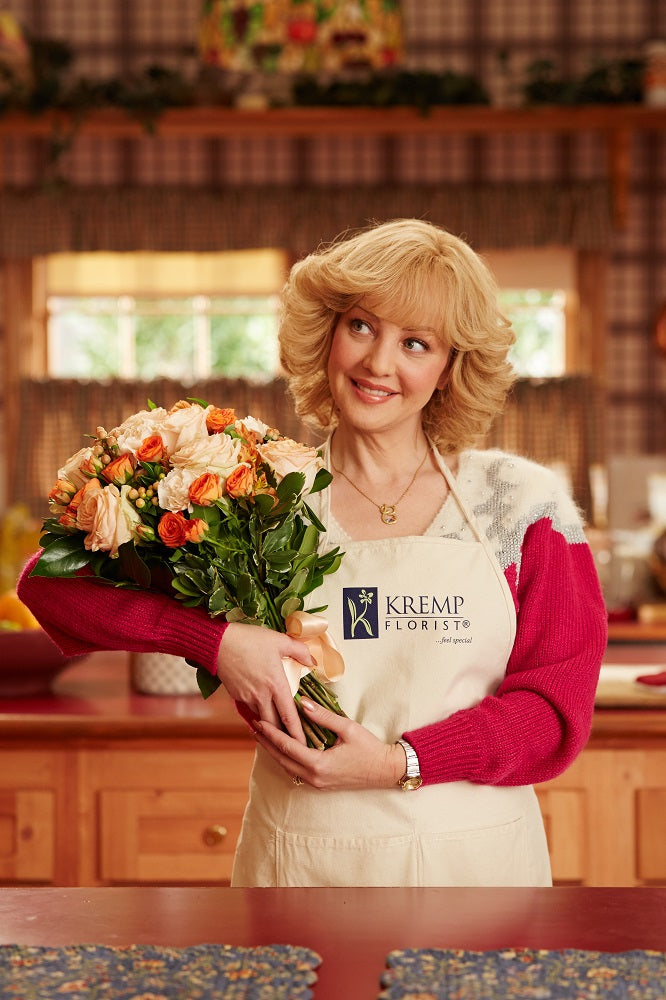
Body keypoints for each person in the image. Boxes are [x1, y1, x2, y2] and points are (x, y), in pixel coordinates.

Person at [18, 218, 608, 888]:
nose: (377, 363)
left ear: (449, 368)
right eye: (361, 326)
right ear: (328, 331)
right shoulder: (249, 497)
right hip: (302, 868)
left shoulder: (521, 504)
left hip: (477, 871)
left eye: (415, 343)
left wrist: (398, 762)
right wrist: (215, 642)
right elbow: (50, 586)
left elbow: (554, 712)